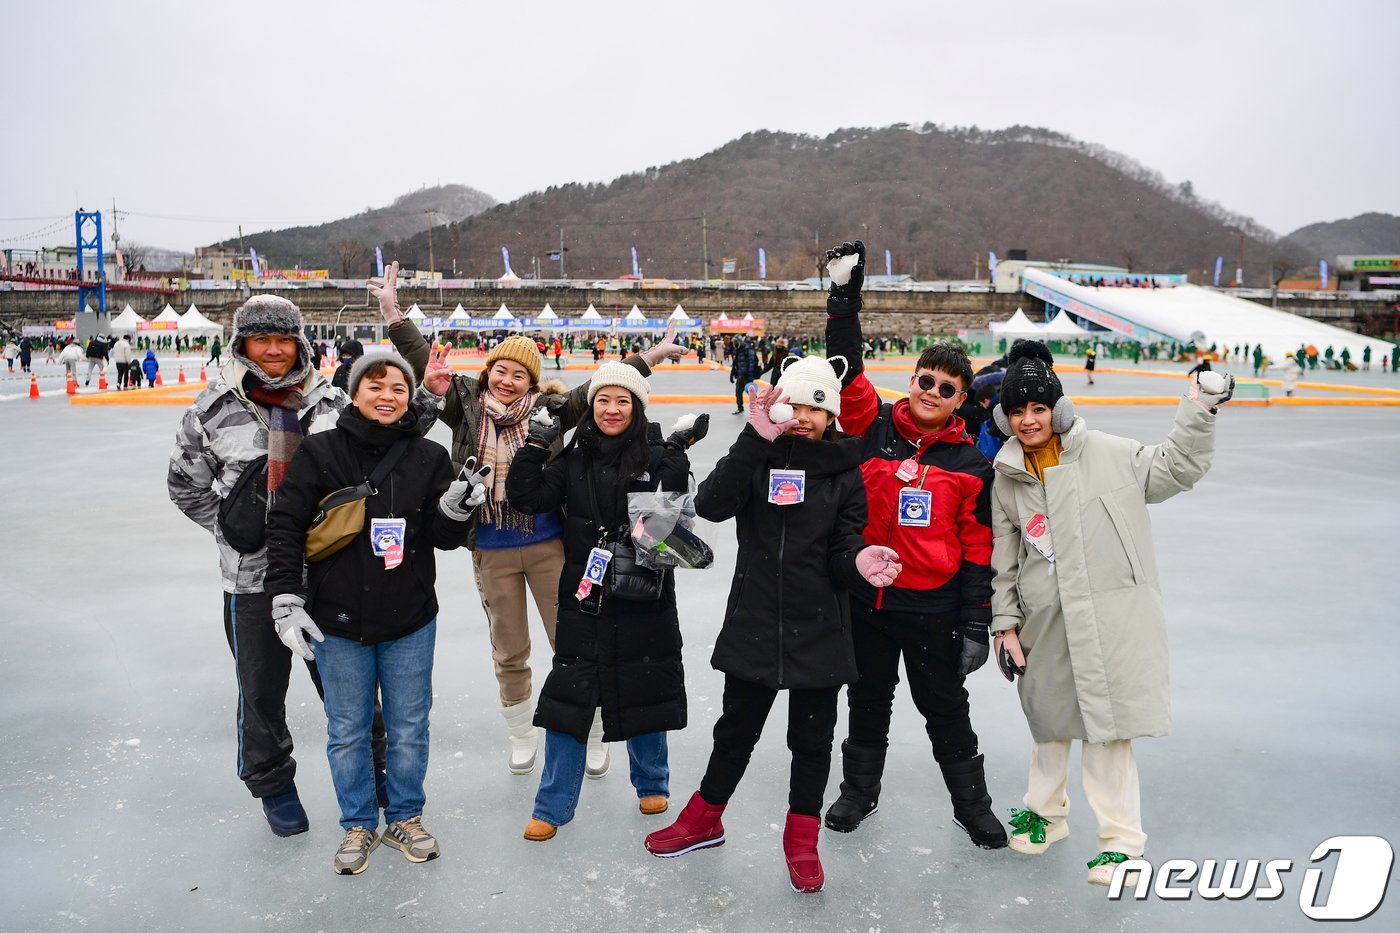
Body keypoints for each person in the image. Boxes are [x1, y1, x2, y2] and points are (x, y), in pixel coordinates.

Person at [372, 260, 690, 776]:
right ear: (488, 372)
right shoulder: (465, 405)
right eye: (501, 370)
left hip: (549, 545)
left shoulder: (551, 410)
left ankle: (591, 731)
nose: (507, 380)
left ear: (531, 382)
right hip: (491, 547)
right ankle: (521, 734)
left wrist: (647, 357)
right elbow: (422, 358)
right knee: (510, 647)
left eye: (519, 374)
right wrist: (393, 313)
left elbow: (601, 388)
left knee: (572, 641)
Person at [167, 294, 449, 838]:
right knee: (261, 688)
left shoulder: (329, 399)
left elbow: (385, 434)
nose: (273, 350)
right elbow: (185, 485)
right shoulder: (212, 408)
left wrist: (429, 400)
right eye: (261, 339)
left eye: (283, 339)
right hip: (251, 580)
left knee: (349, 693)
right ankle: (273, 784)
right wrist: (234, 535)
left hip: (333, 576)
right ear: (241, 343)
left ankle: (377, 773)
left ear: (299, 342)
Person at [643, 361, 901, 894]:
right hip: (756, 618)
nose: (805, 417)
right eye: (797, 405)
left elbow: (841, 550)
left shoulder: (844, 471)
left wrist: (858, 562)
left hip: (820, 628)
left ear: (831, 414)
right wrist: (753, 441)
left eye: (817, 407)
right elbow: (711, 505)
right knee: (734, 731)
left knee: (811, 741)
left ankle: (801, 839)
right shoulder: (759, 457)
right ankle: (704, 819)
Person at [988, 340, 1230, 885]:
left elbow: (1177, 468)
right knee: (1048, 722)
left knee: (1107, 729)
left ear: (1058, 408)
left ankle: (1121, 841)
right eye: (1019, 410)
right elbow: (1004, 558)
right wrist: (1004, 623)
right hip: (1043, 621)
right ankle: (1045, 816)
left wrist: (1199, 409)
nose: (1029, 420)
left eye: (1039, 408)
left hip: (1109, 617)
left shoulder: (1111, 453)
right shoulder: (1005, 476)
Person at [264, 353, 485, 875]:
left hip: (410, 618)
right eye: (375, 385)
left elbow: (441, 538)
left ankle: (406, 816)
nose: (387, 396)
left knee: (409, 726)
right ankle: (358, 823)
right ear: (354, 391)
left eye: (399, 389)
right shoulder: (320, 451)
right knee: (347, 729)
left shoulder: (428, 456)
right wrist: (285, 598)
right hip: (336, 620)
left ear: (410, 398)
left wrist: (456, 509)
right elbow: (286, 527)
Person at [821, 239, 1007, 850]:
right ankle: (858, 793)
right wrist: (844, 303)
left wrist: (976, 623)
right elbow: (845, 368)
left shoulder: (971, 464)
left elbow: (979, 549)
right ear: (914, 379)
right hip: (870, 606)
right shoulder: (871, 426)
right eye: (926, 380)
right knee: (868, 702)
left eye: (947, 388)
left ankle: (971, 805)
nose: (931, 392)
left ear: (961, 400)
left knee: (947, 712)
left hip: (934, 609)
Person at [505, 362, 700, 841]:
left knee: (646, 681)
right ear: (591, 407)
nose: (612, 410)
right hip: (585, 591)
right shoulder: (573, 458)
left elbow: (679, 510)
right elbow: (526, 497)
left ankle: (652, 782)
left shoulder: (656, 454)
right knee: (569, 697)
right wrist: (534, 446)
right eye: (603, 400)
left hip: (643, 590)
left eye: (623, 401)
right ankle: (552, 805)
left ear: (637, 409)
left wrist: (674, 450)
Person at [729, 337, 758, 414]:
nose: (734, 345)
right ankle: (740, 407)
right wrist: (732, 374)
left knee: (751, 393)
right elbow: (736, 363)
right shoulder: (738, 350)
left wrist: (750, 377)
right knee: (738, 392)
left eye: (735, 343)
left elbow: (751, 364)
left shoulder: (747, 349)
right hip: (739, 375)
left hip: (747, 376)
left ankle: (758, 409)